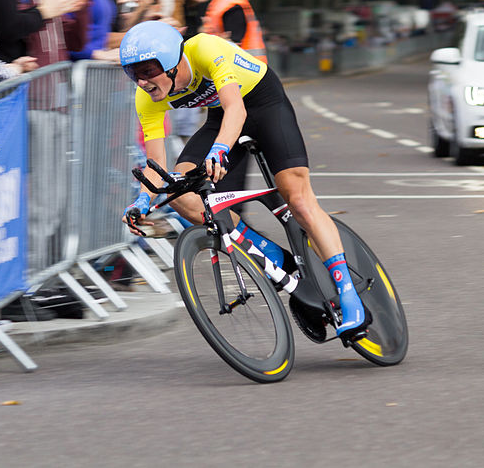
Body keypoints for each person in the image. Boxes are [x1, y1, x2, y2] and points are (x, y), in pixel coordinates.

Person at [119, 21, 370, 341]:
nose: (142, 81)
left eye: (148, 69)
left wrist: (220, 150)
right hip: (220, 118)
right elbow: (156, 165)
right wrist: (142, 201)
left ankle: (348, 295)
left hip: (263, 104)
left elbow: (236, 108)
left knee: (298, 199)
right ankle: (272, 254)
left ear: (171, 61)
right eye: (132, 73)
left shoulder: (206, 49)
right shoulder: (147, 97)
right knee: (179, 189)